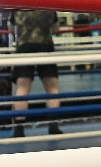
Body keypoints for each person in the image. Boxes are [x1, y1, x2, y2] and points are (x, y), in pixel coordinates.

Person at [9, 9, 62, 137]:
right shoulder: (48, 5)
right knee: (52, 88)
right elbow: (56, 28)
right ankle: (53, 126)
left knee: (22, 88)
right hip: (45, 46)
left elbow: (11, 28)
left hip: (24, 46)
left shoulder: (17, 5)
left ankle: (19, 129)